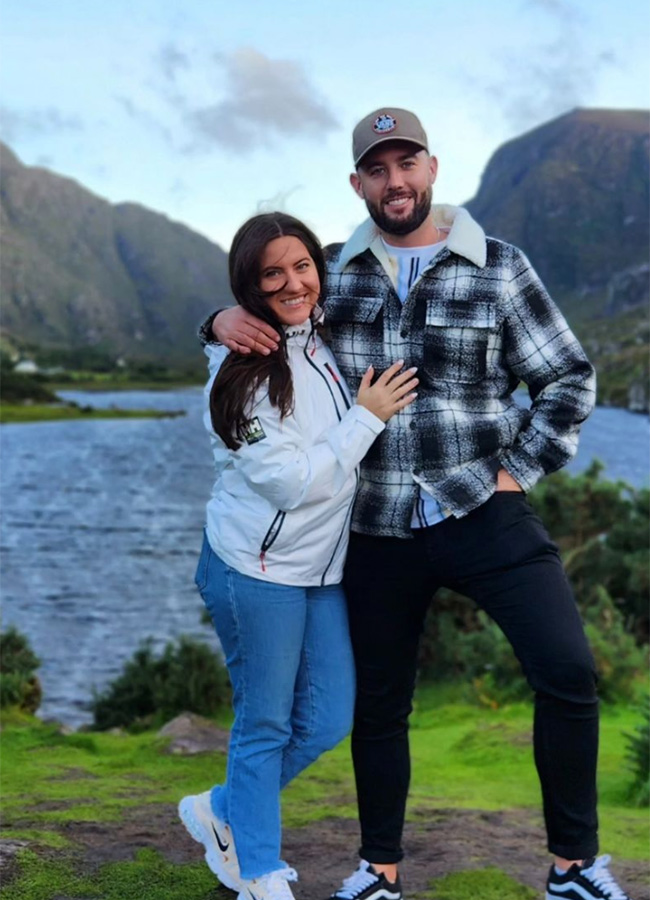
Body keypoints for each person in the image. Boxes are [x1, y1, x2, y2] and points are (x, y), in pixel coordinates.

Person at [201, 110, 634, 900]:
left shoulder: (500, 266)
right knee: (380, 704)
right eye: (377, 168)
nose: (394, 181)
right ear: (358, 183)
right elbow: (273, 311)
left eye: (407, 164)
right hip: (375, 525)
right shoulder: (334, 273)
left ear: (431, 169)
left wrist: (522, 469)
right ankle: (379, 871)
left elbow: (569, 376)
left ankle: (575, 866)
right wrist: (218, 320)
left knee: (568, 669)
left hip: (484, 508)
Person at [179, 211, 418, 900]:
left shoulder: (318, 332)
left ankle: (221, 808)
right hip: (254, 571)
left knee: (329, 718)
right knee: (265, 721)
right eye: (271, 274)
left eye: (302, 265)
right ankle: (256, 870)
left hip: (320, 571)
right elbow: (291, 482)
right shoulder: (242, 368)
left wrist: (213, 316)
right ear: (250, 286)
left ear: (320, 266)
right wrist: (367, 415)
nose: (292, 283)